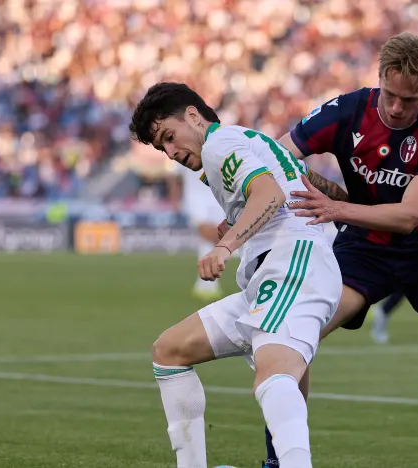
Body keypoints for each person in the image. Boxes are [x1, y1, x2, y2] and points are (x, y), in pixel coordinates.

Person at [253, 32, 418, 468]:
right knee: (292, 337)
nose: (396, 108)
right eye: (390, 95)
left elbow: (408, 216)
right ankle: (280, 460)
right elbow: (275, 154)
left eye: (410, 100)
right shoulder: (347, 109)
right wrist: (319, 192)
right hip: (365, 248)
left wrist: (337, 206)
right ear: (379, 77)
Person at [129, 83, 343, 468]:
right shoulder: (245, 140)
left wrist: (225, 246)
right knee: (170, 351)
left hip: (293, 262)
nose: (172, 152)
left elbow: (270, 195)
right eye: (162, 148)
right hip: (273, 273)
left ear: (194, 115)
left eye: (170, 137)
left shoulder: (217, 145)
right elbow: (315, 187)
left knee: (272, 377)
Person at [180, 166, 226, 299]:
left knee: (215, 238)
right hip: (195, 197)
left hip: (218, 196)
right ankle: (207, 284)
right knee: (207, 234)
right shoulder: (181, 147)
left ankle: (207, 284)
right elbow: (176, 174)